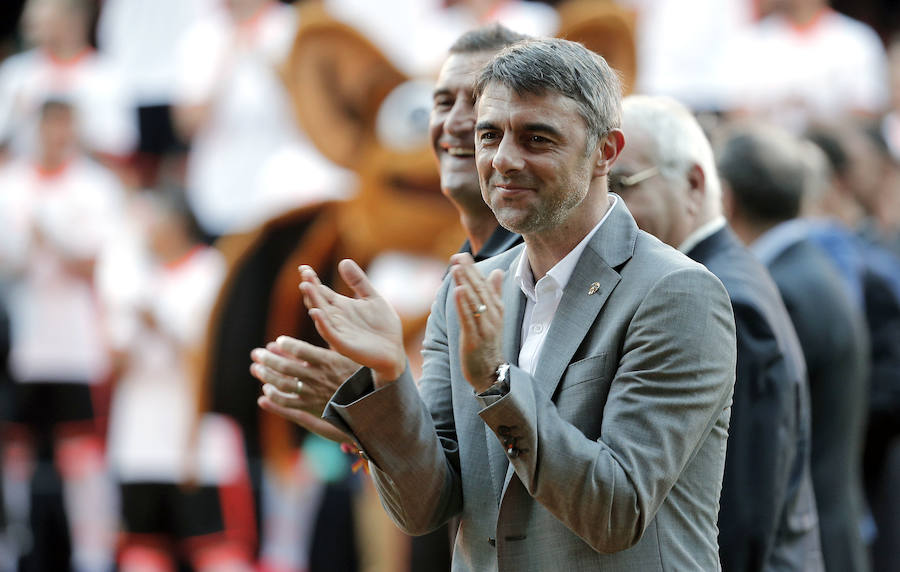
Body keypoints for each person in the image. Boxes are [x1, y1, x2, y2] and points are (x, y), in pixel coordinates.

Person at [284, 38, 736, 570]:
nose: (502, 160)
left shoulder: (677, 292)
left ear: (605, 152)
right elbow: (427, 507)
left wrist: (497, 384)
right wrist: (385, 382)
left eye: (536, 138)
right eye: (489, 135)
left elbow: (616, 511)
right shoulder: (462, 291)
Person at [614, 95, 822, 571]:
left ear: (693, 182)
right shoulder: (711, 276)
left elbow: (740, 508)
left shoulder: (722, 297)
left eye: (622, 184)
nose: (606, 210)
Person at [718, 125, 871, 572]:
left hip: (806, 540)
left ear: (725, 199)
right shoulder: (810, 271)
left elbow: (760, 451)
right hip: (830, 528)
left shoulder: (772, 293)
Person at [0, 99, 122, 572]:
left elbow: (100, 262)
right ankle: (12, 549)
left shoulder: (94, 186)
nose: (57, 136)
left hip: (76, 342)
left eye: (65, 127)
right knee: (15, 448)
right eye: (49, 127)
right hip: (21, 341)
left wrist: (54, 240)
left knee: (82, 453)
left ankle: (91, 554)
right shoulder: (11, 184)